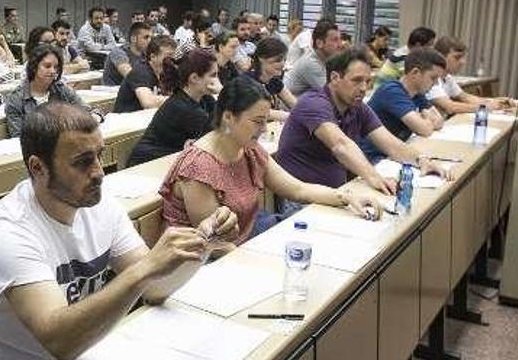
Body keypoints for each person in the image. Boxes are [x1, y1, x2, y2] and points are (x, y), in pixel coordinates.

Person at [0, 102, 228, 360]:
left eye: (100, 155)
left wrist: (202, 245)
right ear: (38, 168)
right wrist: (143, 271)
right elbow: (60, 341)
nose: (99, 172)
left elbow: (155, 289)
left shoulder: (99, 206)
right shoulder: (8, 230)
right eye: (82, 162)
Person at [157, 78, 381, 250]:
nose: (263, 129)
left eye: (266, 121)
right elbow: (216, 245)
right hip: (204, 261)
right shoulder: (198, 168)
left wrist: (347, 197)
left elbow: (298, 189)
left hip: (248, 238)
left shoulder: (249, 149)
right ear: (228, 117)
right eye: (257, 122)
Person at [274, 49, 449, 203]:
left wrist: (422, 160)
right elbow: (340, 145)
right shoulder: (314, 103)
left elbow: (390, 144)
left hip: (338, 193)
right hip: (303, 200)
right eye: (357, 80)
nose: (364, 87)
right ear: (335, 78)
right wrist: (375, 178)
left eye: (367, 81)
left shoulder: (357, 107)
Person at [127, 48, 218, 167]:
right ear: (194, 78)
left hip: (169, 161)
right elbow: (222, 137)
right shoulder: (183, 108)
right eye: (213, 75)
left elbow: (225, 119)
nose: (216, 80)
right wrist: (222, 92)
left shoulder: (204, 98)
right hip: (146, 165)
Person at [362, 48, 447, 161]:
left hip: (393, 152)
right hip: (373, 157)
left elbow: (439, 121)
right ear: (415, 73)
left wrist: (424, 120)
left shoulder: (417, 94)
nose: (436, 83)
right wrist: (425, 119)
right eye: (433, 78)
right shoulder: (392, 91)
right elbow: (424, 129)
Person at [4, 45, 84, 137]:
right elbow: (18, 137)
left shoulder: (61, 89)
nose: (53, 71)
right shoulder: (16, 99)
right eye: (47, 66)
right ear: (34, 67)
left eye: (56, 67)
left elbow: (86, 110)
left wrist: (95, 116)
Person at [427, 36, 517, 115]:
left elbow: (466, 97)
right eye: (457, 57)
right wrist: (486, 107)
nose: (463, 62)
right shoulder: (431, 79)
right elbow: (450, 107)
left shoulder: (447, 78)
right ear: (440, 56)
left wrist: (498, 102)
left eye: (463, 57)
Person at [112, 34, 176, 113]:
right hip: (126, 121)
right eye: (169, 55)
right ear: (153, 56)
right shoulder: (141, 72)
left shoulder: (166, 72)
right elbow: (148, 102)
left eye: (174, 55)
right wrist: (178, 99)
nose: (173, 59)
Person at [285, 18, 344, 97]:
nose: (340, 44)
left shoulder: (324, 60)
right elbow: (333, 94)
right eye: (335, 40)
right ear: (319, 43)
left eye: (340, 39)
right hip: (290, 108)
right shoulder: (311, 63)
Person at [248, 37, 298, 122]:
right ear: (261, 58)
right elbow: (260, 112)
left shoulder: (274, 81)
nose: (282, 64)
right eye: (278, 60)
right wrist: (293, 116)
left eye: (284, 60)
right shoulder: (247, 82)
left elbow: (296, 106)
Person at [101, 22, 151, 86]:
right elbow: (131, 76)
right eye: (146, 37)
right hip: (111, 93)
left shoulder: (145, 55)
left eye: (150, 37)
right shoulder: (118, 52)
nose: (149, 41)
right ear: (133, 39)